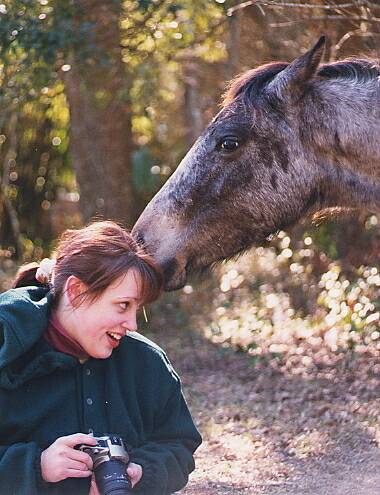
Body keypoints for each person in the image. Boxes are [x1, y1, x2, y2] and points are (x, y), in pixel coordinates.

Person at [0, 220, 202, 495]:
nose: (132, 324)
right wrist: (37, 466)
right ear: (76, 292)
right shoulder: (7, 346)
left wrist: (142, 473)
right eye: (123, 305)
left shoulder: (148, 363)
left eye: (137, 308)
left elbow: (178, 446)